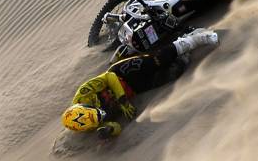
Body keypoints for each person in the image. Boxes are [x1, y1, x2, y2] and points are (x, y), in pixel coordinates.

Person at [61, 28, 219, 137]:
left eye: (95, 112)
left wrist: (122, 101)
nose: (99, 114)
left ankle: (196, 39)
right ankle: (185, 45)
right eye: (97, 118)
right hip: (133, 90)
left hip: (121, 73)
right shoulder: (89, 124)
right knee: (173, 73)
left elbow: (109, 78)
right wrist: (109, 130)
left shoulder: (84, 93)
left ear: (83, 106)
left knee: (157, 61)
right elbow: (116, 127)